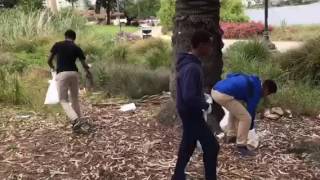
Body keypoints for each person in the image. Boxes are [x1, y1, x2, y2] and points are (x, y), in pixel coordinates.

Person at [172, 30, 220, 180]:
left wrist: (201, 97)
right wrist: (205, 105)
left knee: (189, 144)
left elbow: (190, 92)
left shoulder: (188, 64)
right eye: (209, 45)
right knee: (212, 146)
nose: (211, 49)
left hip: (187, 111)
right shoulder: (192, 67)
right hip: (191, 114)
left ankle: (178, 176)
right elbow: (189, 96)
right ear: (200, 45)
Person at [211, 73, 277, 157]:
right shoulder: (256, 90)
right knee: (246, 118)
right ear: (266, 89)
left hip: (215, 88)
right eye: (268, 94)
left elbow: (230, 75)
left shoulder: (253, 79)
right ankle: (241, 146)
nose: (265, 96)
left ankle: (231, 135)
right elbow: (251, 111)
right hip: (222, 95)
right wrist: (251, 129)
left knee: (236, 109)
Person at [48, 29, 92, 134]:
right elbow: (84, 64)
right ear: (74, 38)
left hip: (62, 74)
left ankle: (75, 120)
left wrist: (52, 67)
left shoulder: (57, 45)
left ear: (65, 36)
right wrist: (88, 73)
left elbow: (49, 59)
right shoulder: (77, 48)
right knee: (75, 98)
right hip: (74, 73)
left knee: (63, 100)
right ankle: (80, 122)